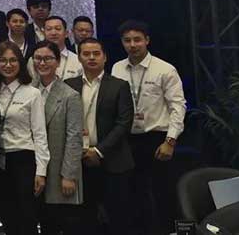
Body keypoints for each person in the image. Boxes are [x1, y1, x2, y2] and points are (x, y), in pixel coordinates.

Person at [111, 20, 186, 235]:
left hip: (157, 139)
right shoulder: (117, 68)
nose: (132, 45)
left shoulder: (165, 69)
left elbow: (178, 107)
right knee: (132, 193)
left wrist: (170, 141)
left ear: (147, 40)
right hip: (126, 139)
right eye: (127, 40)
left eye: (137, 40)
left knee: (160, 193)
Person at [66, 38, 134, 235]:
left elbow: (123, 123)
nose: (91, 58)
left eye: (96, 53)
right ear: (79, 58)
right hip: (79, 161)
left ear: (105, 57)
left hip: (113, 161)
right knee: (84, 219)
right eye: (86, 54)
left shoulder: (119, 86)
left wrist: (98, 151)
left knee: (118, 218)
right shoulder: (68, 85)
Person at [0, 41, 49, 235]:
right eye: (3, 60)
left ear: (20, 63)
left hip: (23, 159)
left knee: (26, 216)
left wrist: (41, 171)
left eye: (13, 60)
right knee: (6, 215)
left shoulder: (32, 93)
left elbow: (40, 134)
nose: (8, 65)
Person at [32, 41, 83, 235]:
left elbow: (74, 138)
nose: (42, 63)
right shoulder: (28, 90)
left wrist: (69, 175)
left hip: (58, 170)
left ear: (58, 61)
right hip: (33, 167)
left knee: (62, 222)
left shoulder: (70, 95)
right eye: (38, 58)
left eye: (48, 58)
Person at [27, 17, 82, 83]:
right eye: (49, 29)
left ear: (66, 33)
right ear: (43, 33)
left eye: (58, 29)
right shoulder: (34, 60)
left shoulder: (78, 60)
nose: (53, 33)